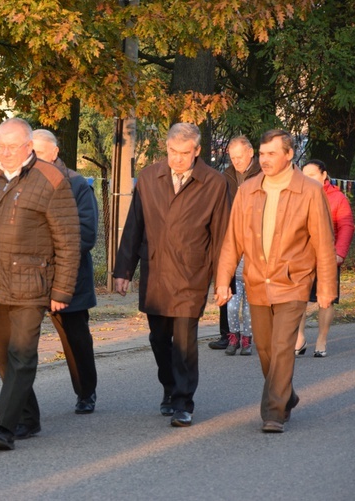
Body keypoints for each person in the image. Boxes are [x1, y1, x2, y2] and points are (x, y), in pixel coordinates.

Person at [0, 118, 80, 451]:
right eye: (0, 145)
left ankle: (3, 427)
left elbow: (67, 240)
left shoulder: (51, 180)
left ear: (29, 147)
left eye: (13, 146)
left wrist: (62, 291)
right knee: (5, 358)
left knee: (22, 355)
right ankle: (28, 418)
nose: (5, 152)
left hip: (31, 285)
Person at [216, 129, 337, 433]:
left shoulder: (309, 191)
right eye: (262, 153)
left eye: (272, 153)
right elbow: (232, 241)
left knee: (283, 345)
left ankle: (273, 412)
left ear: (288, 154)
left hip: (293, 282)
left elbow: (324, 244)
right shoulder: (248, 190)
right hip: (256, 281)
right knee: (266, 350)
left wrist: (325, 289)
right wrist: (222, 282)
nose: (265, 160)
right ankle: (287, 395)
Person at [113, 122, 231, 428]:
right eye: (172, 152)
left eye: (184, 153)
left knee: (184, 342)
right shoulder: (150, 177)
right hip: (155, 272)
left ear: (197, 151)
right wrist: (123, 270)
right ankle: (169, 386)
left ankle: (183, 402)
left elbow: (221, 236)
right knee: (158, 338)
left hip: (192, 275)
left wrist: (222, 280)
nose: (177, 159)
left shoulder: (214, 183)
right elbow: (134, 224)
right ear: (166, 148)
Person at [32, 129, 99, 414]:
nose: (32, 159)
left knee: (75, 338)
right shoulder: (24, 184)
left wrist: (46, 252)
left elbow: (86, 234)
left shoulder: (76, 184)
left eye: (37, 153)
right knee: (20, 342)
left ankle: (86, 391)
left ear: (54, 152)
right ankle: (21, 404)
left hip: (69, 276)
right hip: (29, 277)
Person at [295, 159, 355, 357]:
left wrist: (339, 253)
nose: (307, 179)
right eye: (304, 175)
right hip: (302, 256)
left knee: (326, 300)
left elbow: (346, 226)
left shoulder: (337, 198)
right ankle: (299, 338)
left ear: (324, 175)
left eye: (312, 175)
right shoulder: (299, 195)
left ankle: (321, 339)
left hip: (328, 257)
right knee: (299, 299)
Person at [209, 135, 262, 352]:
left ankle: (253, 334)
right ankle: (227, 334)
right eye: (232, 157)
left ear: (250, 153)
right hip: (229, 234)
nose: (236, 161)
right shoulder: (226, 175)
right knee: (225, 283)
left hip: (255, 237)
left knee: (253, 289)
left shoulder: (262, 173)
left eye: (239, 157)